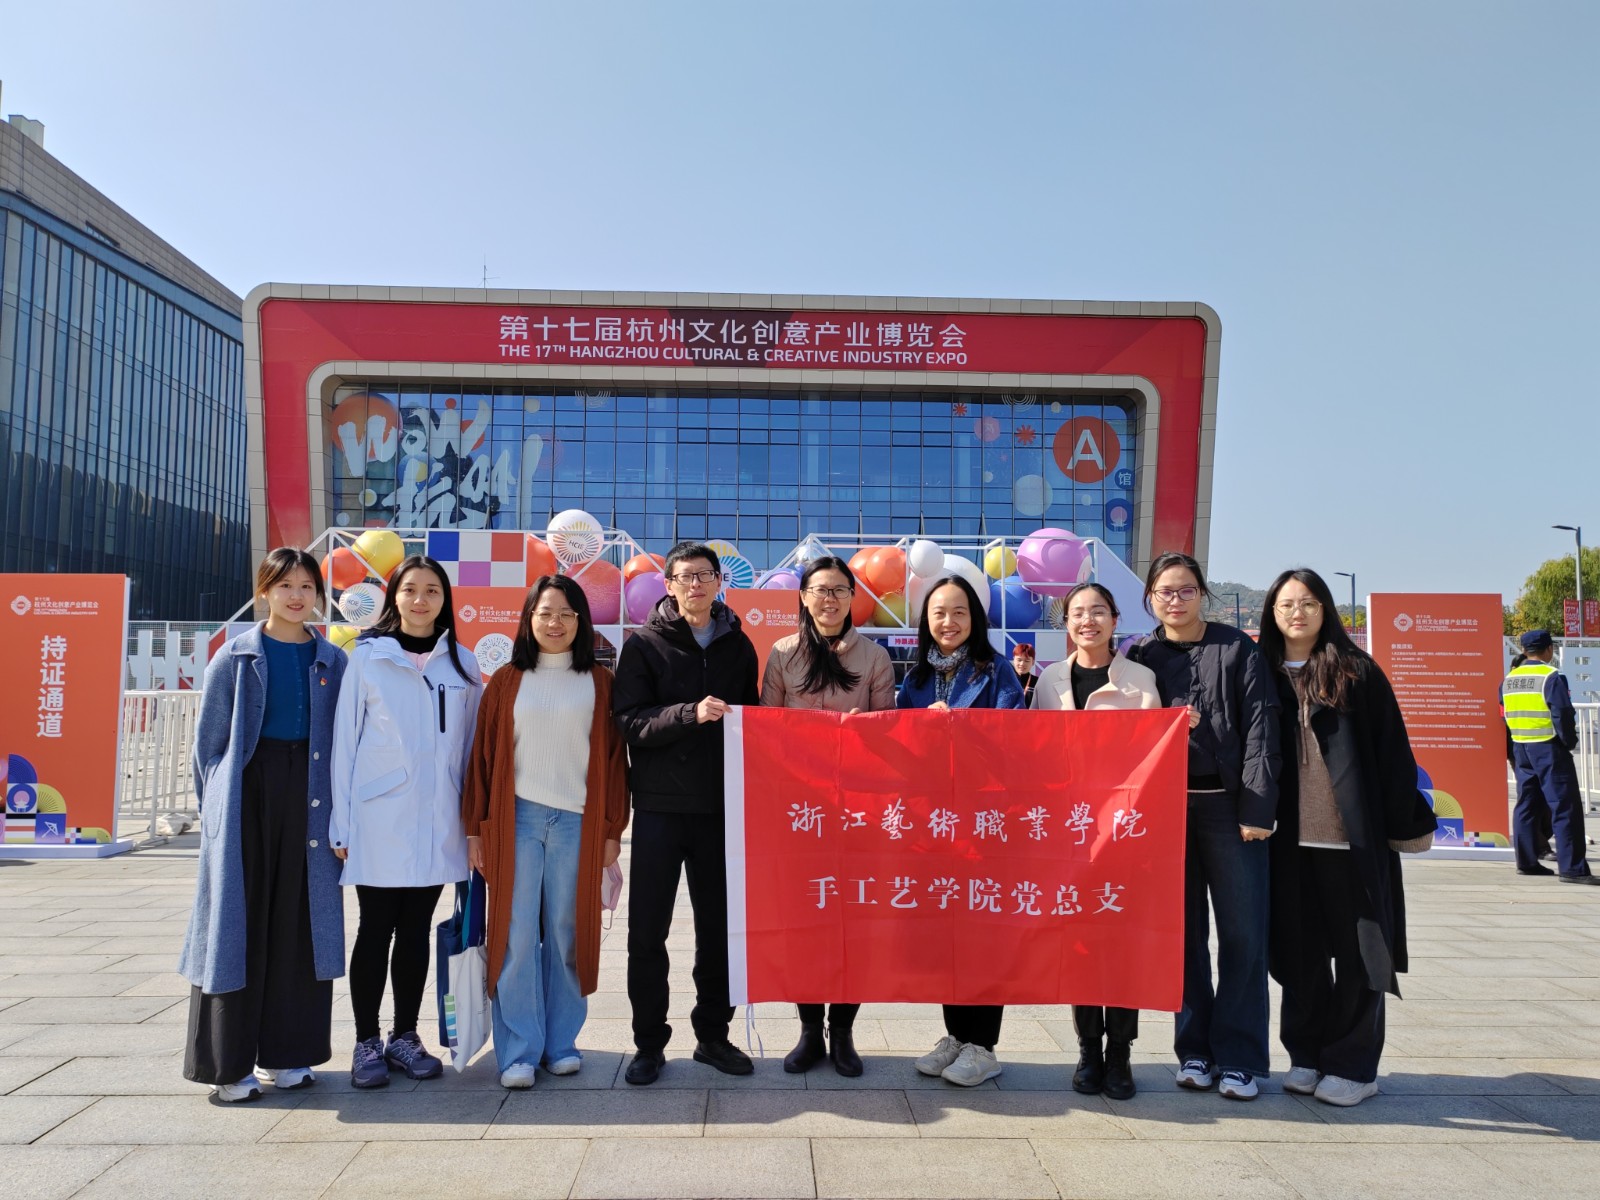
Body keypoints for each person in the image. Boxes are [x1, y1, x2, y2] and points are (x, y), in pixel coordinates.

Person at [1259, 568, 1439, 1107]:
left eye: (1308, 603)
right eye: (1287, 604)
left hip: (1349, 842)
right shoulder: (1261, 672)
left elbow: (1392, 752)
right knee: (1299, 955)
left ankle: (1354, 1065)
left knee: (1360, 954)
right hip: (1286, 844)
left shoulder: (1356, 671)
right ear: (1272, 612)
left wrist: (1405, 824)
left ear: (1326, 610)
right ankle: (1307, 1055)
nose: (1297, 613)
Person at [179, 548, 347, 1102]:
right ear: (264, 590)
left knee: (300, 918)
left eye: (306, 586)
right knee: (238, 922)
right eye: (285, 585)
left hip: (312, 795)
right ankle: (228, 1065)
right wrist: (218, 813)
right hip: (246, 794)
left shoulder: (332, 660)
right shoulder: (234, 657)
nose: (296, 596)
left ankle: (289, 1054)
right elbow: (208, 748)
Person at [462, 575, 630, 1088]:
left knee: (566, 932)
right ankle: (519, 1050)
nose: (555, 623)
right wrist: (475, 830)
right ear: (528, 619)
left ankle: (561, 1043)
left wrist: (612, 830)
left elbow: (614, 762)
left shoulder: (599, 682)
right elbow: (483, 760)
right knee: (514, 935)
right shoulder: (506, 680)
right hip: (517, 820)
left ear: (581, 621)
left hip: (577, 823)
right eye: (545, 613)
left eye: (566, 614)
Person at [1126, 551, 1280, 1101]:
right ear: (1150, 598)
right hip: (1165, 812)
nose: (1175, 600)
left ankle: (1239, 1058)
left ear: (1202, 594)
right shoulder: (1140, 654)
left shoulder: (1237, 649)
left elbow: (1262, 732)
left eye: (1185, 590)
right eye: (1165, 592)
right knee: (1183, 936)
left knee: (1243, 935)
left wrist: (1257, 811)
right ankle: (1193, 1051)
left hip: (1230, 810)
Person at [331, 555, 485, 1088]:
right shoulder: (368, 658)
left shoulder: (462, 663)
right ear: (394, 596)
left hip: (439, 818)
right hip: (378, 817)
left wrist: (474, 824)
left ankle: (404, 1035)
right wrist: (341, 823)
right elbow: (344, 743)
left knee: (417, 928)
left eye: (433, 591)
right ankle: (365, 1041)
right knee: (375, 927)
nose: (421, 600)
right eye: (410, 589)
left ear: (446, 600)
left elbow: (473, 752)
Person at [613, 542, 761, 1085]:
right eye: (684, 576)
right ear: (669, 585)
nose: (695, 584)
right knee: (646, 933)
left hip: (719, 809)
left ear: (720, 581)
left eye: (704, 575)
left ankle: (713, 1037)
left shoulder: (739, 646)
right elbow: (630, 722)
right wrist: (688, 715)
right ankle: (648, 1044)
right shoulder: (644, 645)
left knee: (719, 931)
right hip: (658, 808)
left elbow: (753, 720)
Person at [761, 555, 897, 1077]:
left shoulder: (875, 657)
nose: (830, 599)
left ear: (852, 597)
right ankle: (807, 1030)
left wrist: (867, 730)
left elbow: (889, 729)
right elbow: (767, 728)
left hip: (857, 810)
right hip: (799, 810)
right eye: (820, 589)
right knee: (804, 922)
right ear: (803, 596)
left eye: (840, 589)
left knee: (851, 923)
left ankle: (842, 1032)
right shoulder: (783, 653)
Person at [898, 573, 1027, 1086]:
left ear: (975, 619)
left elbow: (1014, 740)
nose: (948, 622)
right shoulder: (915, 679)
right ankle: (955, 1034)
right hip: (935, 823)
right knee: (947, 932)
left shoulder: (996, 671)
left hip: (984, 822)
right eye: (939, 613)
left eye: (959, 612)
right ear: (925, 621)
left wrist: (957, 727)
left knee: (984, 933)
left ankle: (983, 1045)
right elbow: (901, 746)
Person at [1033, 581, 1159, 1100]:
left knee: (1123, 945)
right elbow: (1036, 754)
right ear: (1066, 623)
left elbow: (1154, 757)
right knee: (1081, 945)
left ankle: (1121, 1053)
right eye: (1078, 613)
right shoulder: (1049, 682)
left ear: (1115, 619)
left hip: (1126, 834)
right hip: (1071, 833)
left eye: (1099, 611)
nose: (1089, 621)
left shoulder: (1141, 680)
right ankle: (1089, 1049)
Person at [1503, 630, 1598, 884]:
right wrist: (1569, 742)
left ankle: (1526, 862)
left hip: (1521, 747)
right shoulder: (1550, 676)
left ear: (1524, 651)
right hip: (1548, 748)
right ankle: (1573, 869)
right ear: (1548, 650)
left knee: (1526, 805)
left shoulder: (1509, 679)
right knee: (1565, 806)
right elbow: (1563, 713)